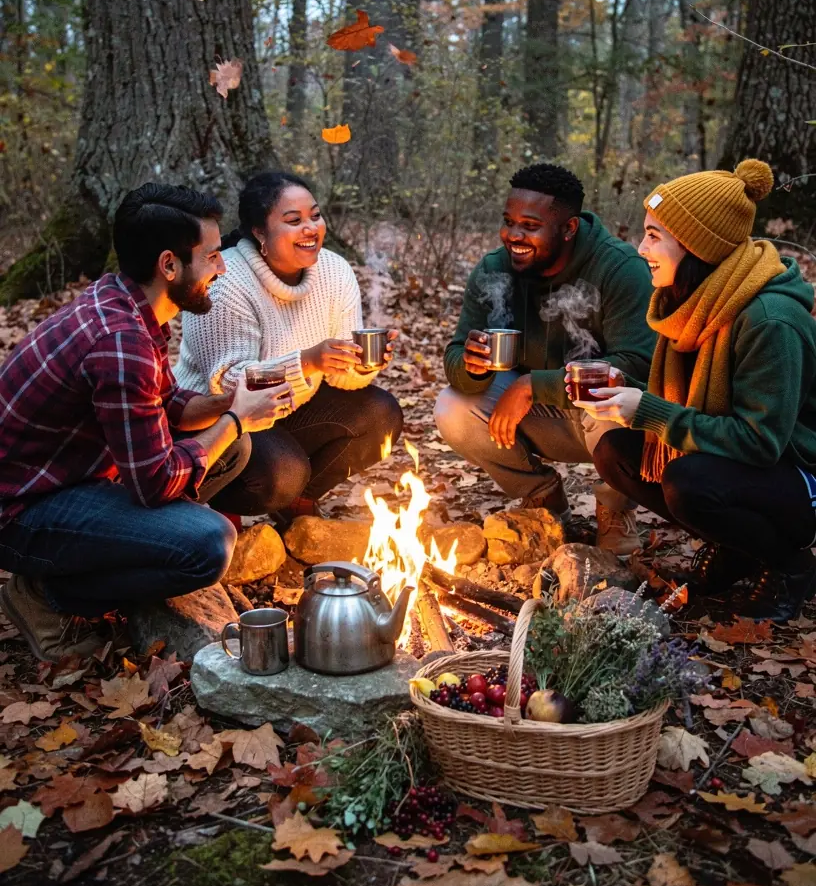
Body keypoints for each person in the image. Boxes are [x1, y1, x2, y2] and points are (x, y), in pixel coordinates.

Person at [0, 184, 294, 662]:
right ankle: (45, 597)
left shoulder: (126, 302)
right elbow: (154, 482)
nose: (222, 268)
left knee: (231, 450)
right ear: (169, 265)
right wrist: (238, 419)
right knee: (208, 544)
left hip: (74, 476)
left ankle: (122, 554)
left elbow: (168, 399)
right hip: (23, 512)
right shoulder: (120, 341)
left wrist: (227, 403)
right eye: (214, 256)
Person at [574, 159, 816, 623]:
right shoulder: (690, 301)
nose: (641, 247)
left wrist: (649, 411)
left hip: (801, 475)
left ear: (698, 245)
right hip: (755, 469)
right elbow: (697, 402)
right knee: (616, 453)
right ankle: (739, 547)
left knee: (689, 484)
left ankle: (792, 565)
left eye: (654, 235)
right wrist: (628, 389)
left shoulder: (770, 320)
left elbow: (759, 441)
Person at [434, 162, 655, 553]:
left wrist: (534, 386)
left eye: (530, 227)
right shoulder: (493, 270)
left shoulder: (620, 268)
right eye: (508, 222)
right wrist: (470, 365)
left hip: (601, 423)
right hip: (535, 417)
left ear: (568, 228)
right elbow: (454, 355)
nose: (513, 236)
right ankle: (543, 497)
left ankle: (615, 508)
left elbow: (638, 364)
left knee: (616, 399)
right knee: (453, 406)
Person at [176, 170, 403, 518]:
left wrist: (361, 365)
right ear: (259, 232)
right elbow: (226, 383)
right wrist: (309, 362)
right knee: (282, 473)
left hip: (293, 408)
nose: (311, 228)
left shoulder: (335, 271)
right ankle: (221, 506)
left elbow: (343, 380)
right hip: (218, 418)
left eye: (315, 215)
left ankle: (298, 506)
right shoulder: (226, 280)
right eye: (294, 220)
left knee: (381, 414)